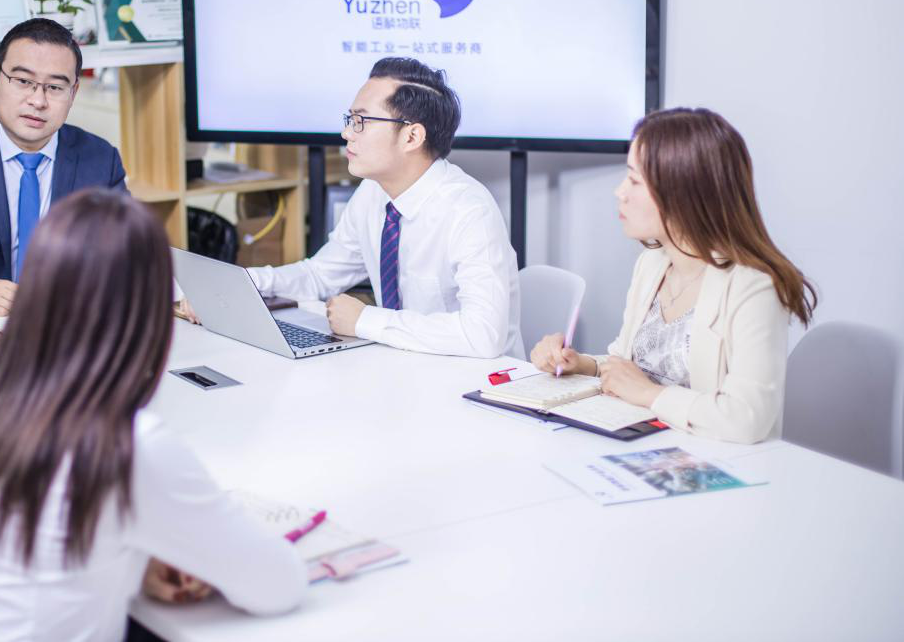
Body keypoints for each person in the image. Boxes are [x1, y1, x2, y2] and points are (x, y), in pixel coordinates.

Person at [0, 190, 307, 642]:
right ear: (146, 316)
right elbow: (277, 586)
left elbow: (29, 553)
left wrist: (138, 564)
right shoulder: (127, 445)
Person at [185, 57, 521, 358]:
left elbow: (483, 336)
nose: (347, 132)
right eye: (349, 118)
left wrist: (365, 320)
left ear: (412, 137)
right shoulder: (373, 193)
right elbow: (320, 276)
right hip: (406, 366)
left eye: (361, 121)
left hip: (474, 383)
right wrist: (244, 284)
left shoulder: (468, 211)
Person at [530, 107, 817, 443]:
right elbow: (628, 366)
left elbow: (746, 419)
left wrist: (649, 394)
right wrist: (581, 364)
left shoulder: (754, 287)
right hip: (642, 445)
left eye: (634, 180)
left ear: (683, 193)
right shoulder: (652, 264)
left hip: (716, 460)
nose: (620, 192)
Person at [0, 18, 127, 321]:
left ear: (73, 92)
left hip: (68, 329)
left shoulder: (100, 160)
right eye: (23, 81)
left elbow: (126, 257)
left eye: (55, 87)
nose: (38, 100)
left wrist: (175, 297)